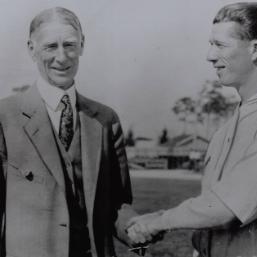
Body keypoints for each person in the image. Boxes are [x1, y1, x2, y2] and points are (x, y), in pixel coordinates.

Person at [127, 2, 257, 257]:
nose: (209, 56)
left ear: (255, 50)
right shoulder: (227, 129)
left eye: (219, 45)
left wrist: (158, 221)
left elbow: (226, 208)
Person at [0, 7, 145, 257]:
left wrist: (138, 229)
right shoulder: (4, 117)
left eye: (69, 45)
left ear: (82, 45)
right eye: (50, 47)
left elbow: (118, 205)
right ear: (31, 49)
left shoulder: (106, 120)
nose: (62, 57)